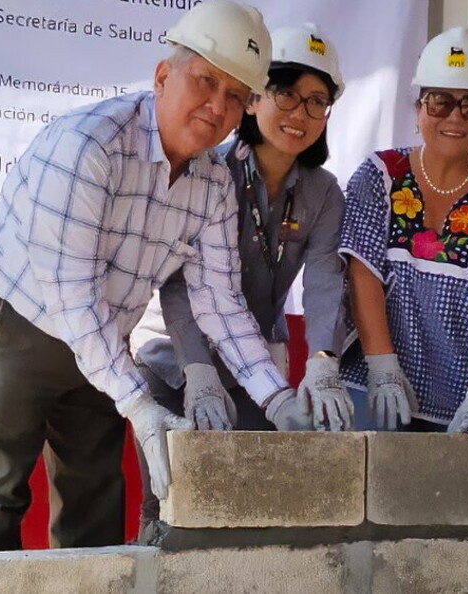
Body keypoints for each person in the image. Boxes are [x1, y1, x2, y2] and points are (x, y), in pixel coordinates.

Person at [0, 0, 308, 552]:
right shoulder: (88, 145)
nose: (218, 105)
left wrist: (276, 398)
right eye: (206, 80)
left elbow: (219, 302)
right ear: (163, 76)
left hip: (106, 335)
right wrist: (138, 403)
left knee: (93, 498)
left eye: (236, 95)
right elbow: (72, 298)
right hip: (15, 318)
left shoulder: (213, 182)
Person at [131, 23, 351, 536]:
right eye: (286, 94)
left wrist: (323, 362)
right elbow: (179, 282)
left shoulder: (323, 192)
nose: (299, 114)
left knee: (250, 505)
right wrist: (197, 369)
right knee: (168, 506)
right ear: (253, 100)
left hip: (256, 364)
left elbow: (324, 279)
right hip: (172, 355)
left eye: (317, 101)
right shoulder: (211, 171)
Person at [339, 27, 468, 433]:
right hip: (370, 383)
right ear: (419, 109)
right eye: (440, 102)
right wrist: (382, 366)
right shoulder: (380, 175)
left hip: (460, 405)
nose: (454, 117)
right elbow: (362, 273)